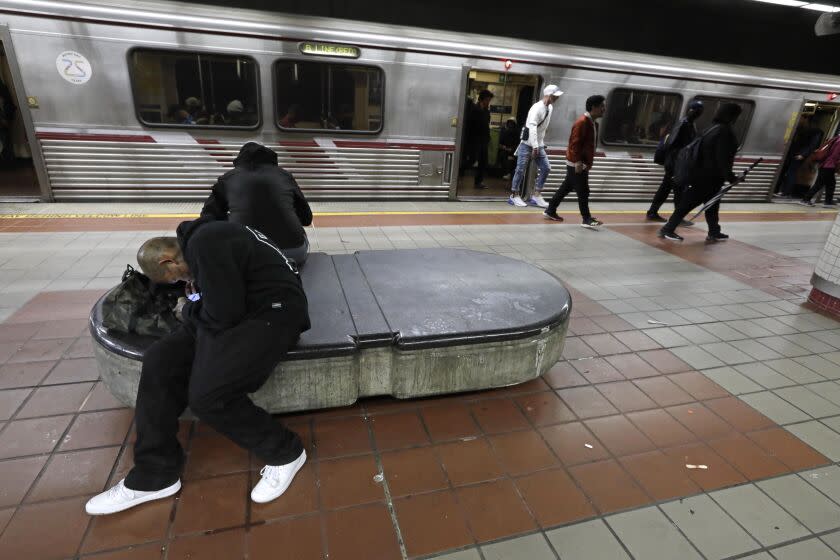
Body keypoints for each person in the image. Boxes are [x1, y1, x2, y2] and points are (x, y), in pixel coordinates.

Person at [85, 217, 311, 515]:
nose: (180, 282)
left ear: (168, 260)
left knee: (209, 397)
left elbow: (223, 313)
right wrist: (196, 308)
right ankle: (155, 473)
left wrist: (190, 307)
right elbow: (219, 305)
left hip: (274, 314)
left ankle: (285, 452)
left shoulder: (207, 244)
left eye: (174, 279)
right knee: (160, 360)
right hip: (241, 308)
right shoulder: (202, 240)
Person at [201, 142, 313, 265]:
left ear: (240, 160)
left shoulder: (228, 178)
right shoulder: (284, 175)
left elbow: (207, 217)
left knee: (228, 222)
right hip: (293, 252)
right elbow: (306, 219)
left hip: (244, 255)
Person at [658, 103, 743, 243]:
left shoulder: (711, 128)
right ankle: (668, 229)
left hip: (702, 174)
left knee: (712, 205)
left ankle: (714, 231)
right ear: (733, 116)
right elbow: (722, 158)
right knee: (687, 203)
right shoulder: (724, 132)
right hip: (709, 178)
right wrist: (731, 177)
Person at [543, 94, 606, 228]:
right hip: (577, 163)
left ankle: (550, 210)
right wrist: (577, 162)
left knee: (566, 187)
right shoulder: (582, 122)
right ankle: (586, 218)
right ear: (594, 107)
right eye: (602, 106)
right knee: (583, 191)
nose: (604, 109)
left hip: (581, 163)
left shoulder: (593, 123)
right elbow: (574, 144)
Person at [646, 100, 705, 223]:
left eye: (700, 111)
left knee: (667, 189)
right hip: (675, 163)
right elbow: (672, 144)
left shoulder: (689, 123)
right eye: (696, 110)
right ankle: (676, 217)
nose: (698, 113)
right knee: (678, 190)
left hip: (677, 162)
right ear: (690, 110)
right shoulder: (683, 124)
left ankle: (653, 212)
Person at [509, 85, 564, 207]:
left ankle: (536, 195)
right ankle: (514, 195)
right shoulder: (536, 108)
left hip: (538, 144)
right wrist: (535, 146)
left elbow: (542, 129)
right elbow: (532, 127)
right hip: (527, 143)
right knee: (520, 169)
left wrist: (540, 144)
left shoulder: (550, 107)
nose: (557, 98)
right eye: (555, 96)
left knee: (546, 167)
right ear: (549, 95)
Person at [775, 115, 823, 200]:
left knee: (791, 172)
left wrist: (803, 154)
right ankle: (777, 190)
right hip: (790, 153)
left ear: (806, 118)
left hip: (799, 154)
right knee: (783, 171)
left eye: (801, 118)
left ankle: (786, 192)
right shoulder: (800, 128)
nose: (798, 120)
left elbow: (813, 145)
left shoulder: (816, 131)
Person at [461, 89, 494, 189]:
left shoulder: (486, 112)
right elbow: (469, 125)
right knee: (472, 160)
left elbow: (486, 125)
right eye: (488, 100)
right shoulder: (474, 110)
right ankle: (459, 171)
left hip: (483, 140)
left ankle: (478, 181)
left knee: (484, 161)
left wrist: (488, 137)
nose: (489, 102)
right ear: (482, 99)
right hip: (474, 139)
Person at [799, 130, 840, 208]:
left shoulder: (836, 138)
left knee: (831, 184)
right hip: (829, 165)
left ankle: (828, 201)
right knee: (819, 183)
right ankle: (805, 199)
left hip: (826, 165)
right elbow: (835, 155)